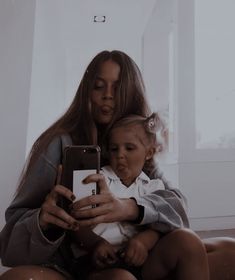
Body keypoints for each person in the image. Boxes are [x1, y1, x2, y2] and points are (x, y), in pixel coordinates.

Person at [0, 50, 189, 280]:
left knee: (226, 250)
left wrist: (127, 208)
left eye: (117, 88)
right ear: (87, 92)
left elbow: (177, 209)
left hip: (140, 258)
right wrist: (42, 220)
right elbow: (10, 245)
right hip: (75, 265)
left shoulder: (142, 144)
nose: (107, 96)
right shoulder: (59, 143)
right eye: (99, 86)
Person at [71, 113, 209, 280]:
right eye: (114, 149)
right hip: (98, 263)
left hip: (139, 261)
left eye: (129, 148)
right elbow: (77, 223)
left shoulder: (153, 187)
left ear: (149, 153)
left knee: (188, 240)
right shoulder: (98, 179)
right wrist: (96, 244)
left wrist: (144, 241)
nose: (120, 155)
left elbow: (163, 226)